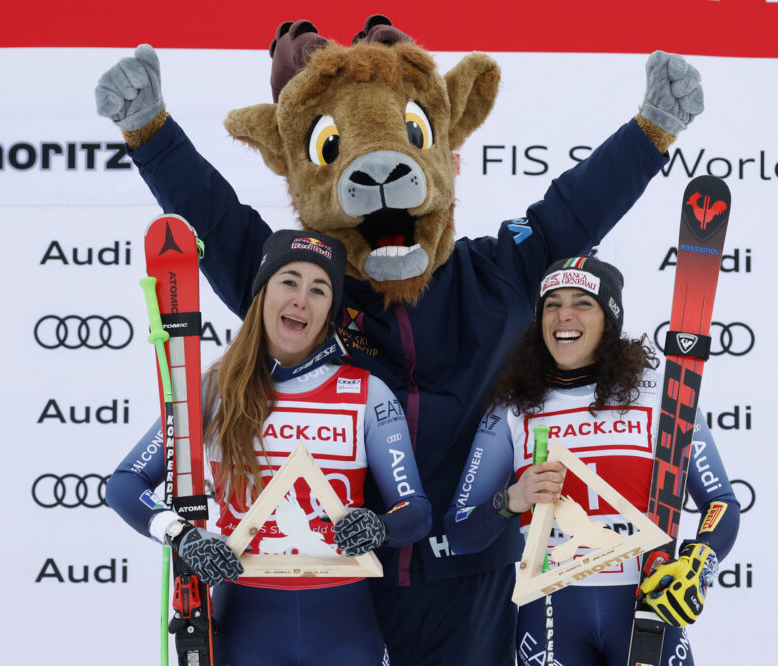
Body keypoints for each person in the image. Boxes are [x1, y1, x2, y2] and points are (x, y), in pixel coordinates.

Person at [95, 20, 705, 664]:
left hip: (479, 579)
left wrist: (650, 133)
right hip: (352, 580)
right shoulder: (314, 291)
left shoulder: (493, 272)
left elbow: (573, 210)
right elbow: (216, 220)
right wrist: (152, 134)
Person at [106, 229, 432, 665]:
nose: (301, 299)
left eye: (319, 290)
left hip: (343, 623)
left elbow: (416, 512)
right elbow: (125, 484)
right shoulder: (213, 391)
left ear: (329, 312)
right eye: (289, 281)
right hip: (245, 621)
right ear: (262, 294)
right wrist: (182, 536)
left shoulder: (366, 393)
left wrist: (379, 526)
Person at [445, 256, 740, 666]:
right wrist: (512, 499)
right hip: (551, 614)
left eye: (582, 302)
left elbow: (720, 500)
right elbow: (459, 532)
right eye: (552, 304)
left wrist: (700, 560)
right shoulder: (512, 410)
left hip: (648, 607)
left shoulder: (660, 394)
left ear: (609, 318)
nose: (564, 315)